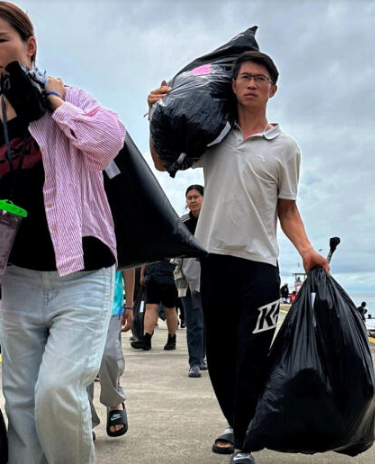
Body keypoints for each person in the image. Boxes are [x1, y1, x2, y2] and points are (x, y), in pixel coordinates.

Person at [0, 2, 126, 463]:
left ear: (30, 45)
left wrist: (55, 103)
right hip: (18, 279)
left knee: (57, 392)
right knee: (21, 404)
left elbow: (108, 141)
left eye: (0, 40)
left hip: (82, 274)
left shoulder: (70, 97)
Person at [148, 50, 329, 464]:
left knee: (253, 353)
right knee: (222, 357)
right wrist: (155, 115)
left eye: (260, 79)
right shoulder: (215, 136)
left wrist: (307, 251)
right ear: (233, 84)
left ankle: (245, 439)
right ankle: (239, 422)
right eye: (245, 76)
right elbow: (163, 163)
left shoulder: (286, 148)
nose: (252, 83)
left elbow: (287, 210)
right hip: (214, 264)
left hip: (261, 268)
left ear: (273, 89)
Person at [88, 269, 134, 439]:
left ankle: (114, 401)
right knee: (82, 362)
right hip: (76, 301)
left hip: (111, 302)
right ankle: (85, 417)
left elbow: (129, 264)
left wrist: (129, 304)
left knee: (109, 354)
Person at [174, 184, 207, 378]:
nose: (193, 200)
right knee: (194, 322)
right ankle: (194, 362)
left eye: (196, 197)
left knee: (208, 321)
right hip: (188, 280)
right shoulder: (182, 223)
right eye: (189, 198)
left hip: (211, 280)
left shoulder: (214, 219)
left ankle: (203, 357)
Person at [131, 260, 179, 351]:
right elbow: (146, 255)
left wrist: (142, 275)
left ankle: (171, 337)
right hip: (154, 274)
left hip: (167, 275)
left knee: (169, 308)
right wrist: (142, 275)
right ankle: (147, 338)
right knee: (151, 307)